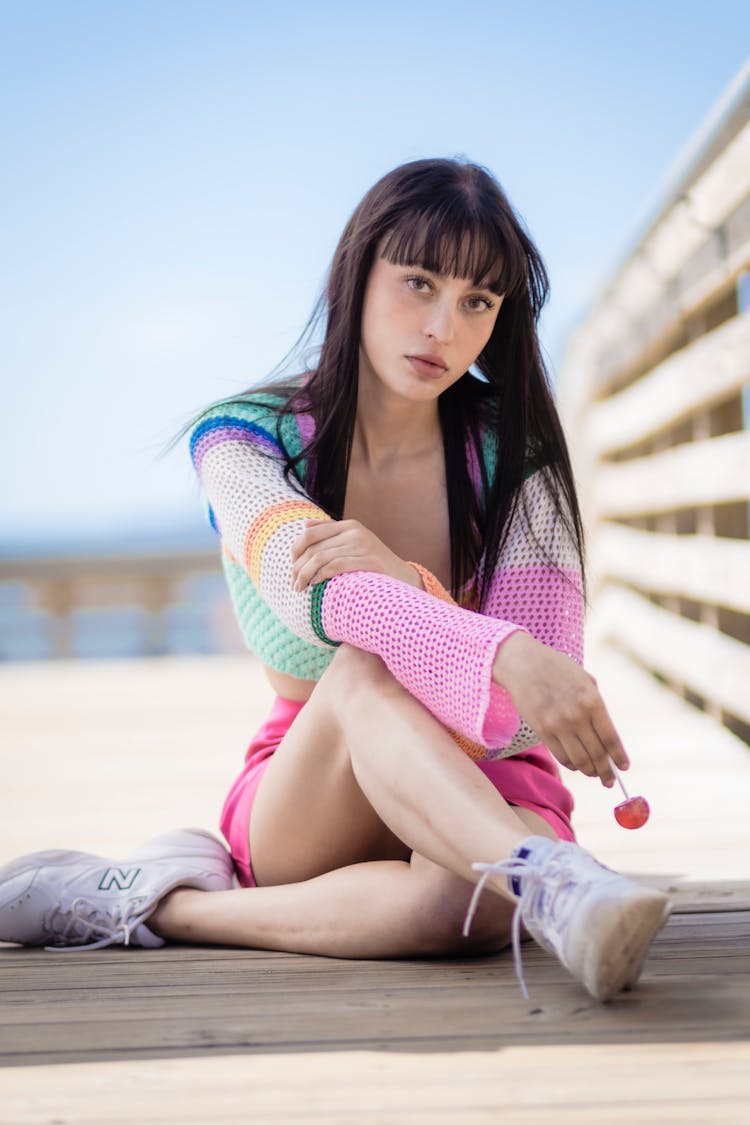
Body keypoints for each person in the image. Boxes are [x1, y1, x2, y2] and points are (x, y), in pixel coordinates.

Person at [0, 158, 670, 1002]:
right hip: (315, 783)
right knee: (364, 666)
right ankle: (553, 880)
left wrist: (413, 588)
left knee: (452, 907)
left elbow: (514, 717)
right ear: (357, 274)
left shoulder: (516, 455)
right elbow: (314, 599)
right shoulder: (245, 442)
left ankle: (171, 906)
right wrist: (483, 637)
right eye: (418, 283)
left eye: (477, 301)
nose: (441, 326)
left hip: (491, 774)